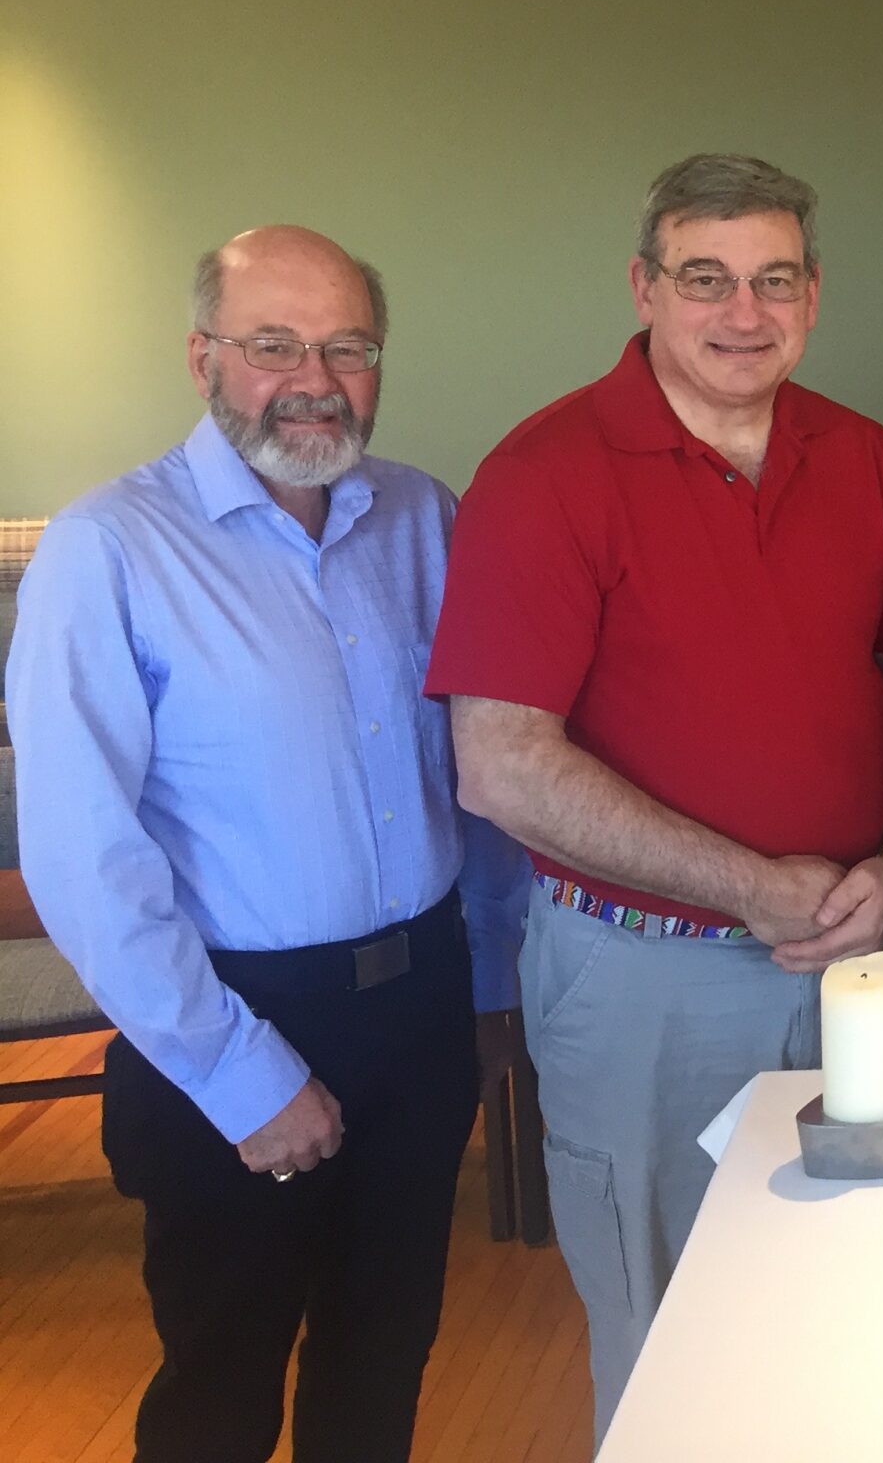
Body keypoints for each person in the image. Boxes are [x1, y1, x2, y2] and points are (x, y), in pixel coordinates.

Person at [427, 154, 883, 1446]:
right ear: (645, 287)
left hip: (851, 970)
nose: (742, 312)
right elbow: (499, 763)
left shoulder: (859, 454)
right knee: (669, 1337)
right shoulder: (547, 472)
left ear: (815, 296)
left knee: (850, 1309)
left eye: (775, 280)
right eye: (705, 280)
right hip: (639, 980)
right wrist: (756, 886)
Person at [6, 227, 526, 1463]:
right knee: (222, 1385)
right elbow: (86, 857)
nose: (314, 377)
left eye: (348, 346)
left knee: (384, 1350)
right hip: (230, 1023)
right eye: (272, 345)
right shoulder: (108, 549)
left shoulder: (423, 517)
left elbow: (486, 775)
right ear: (203, 359)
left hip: (420, 1001)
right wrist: (242, 1077)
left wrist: (492, 989)